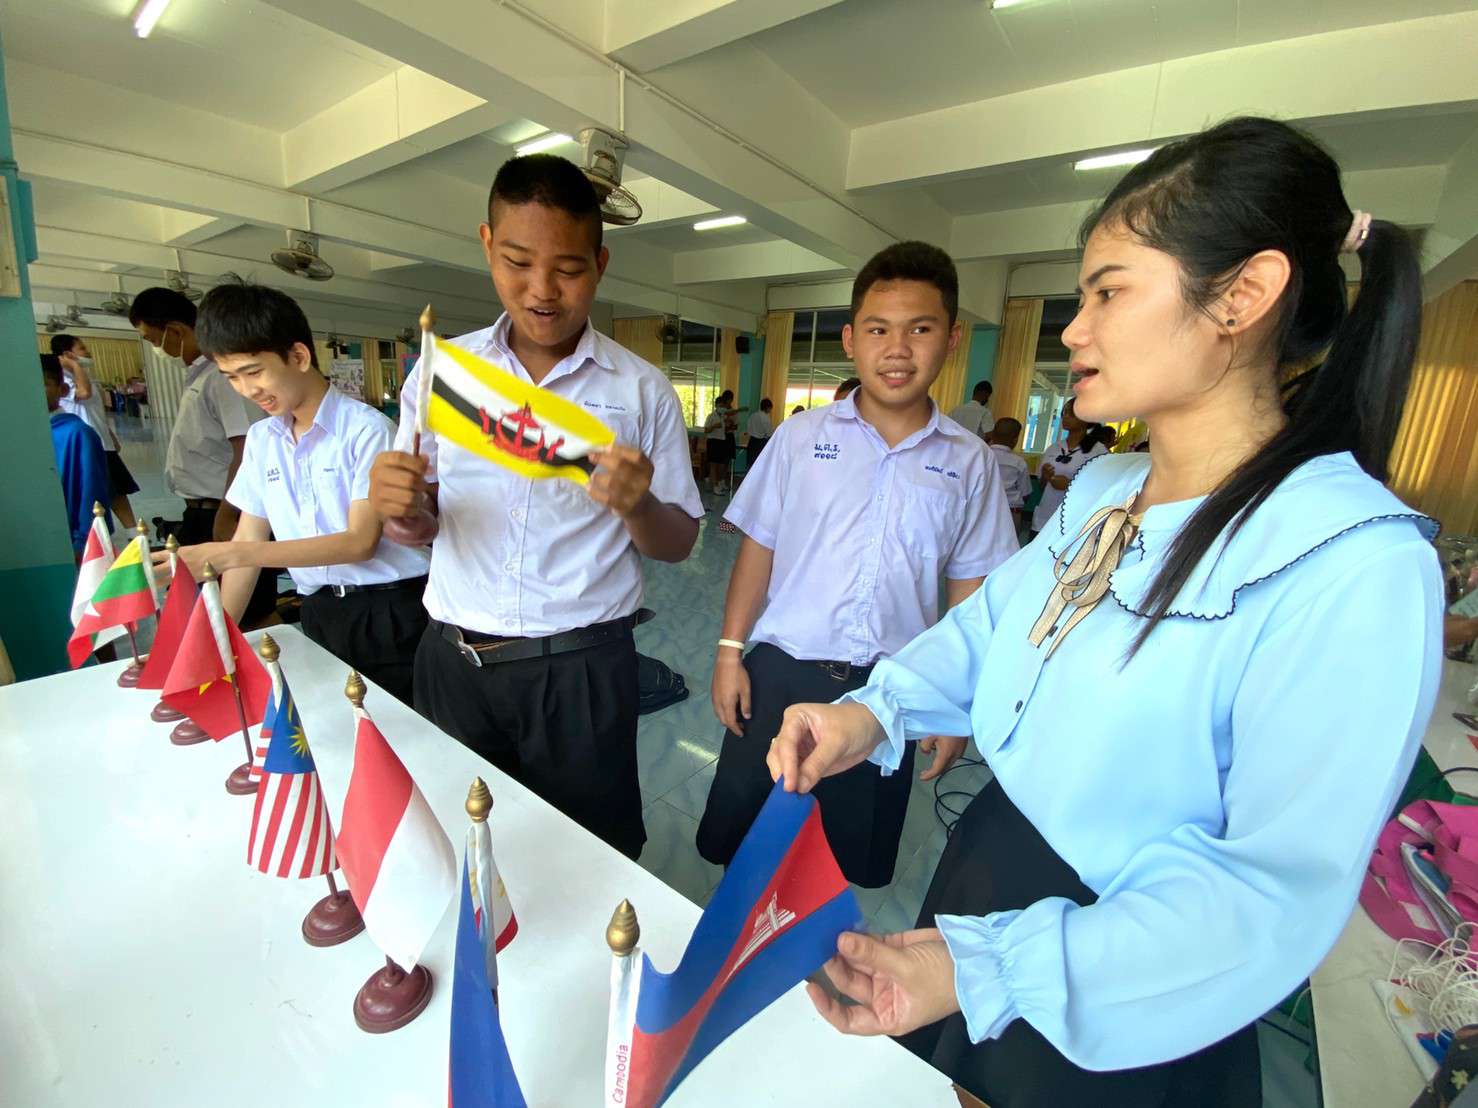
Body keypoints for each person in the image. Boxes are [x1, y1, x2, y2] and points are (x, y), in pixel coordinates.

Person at [765, 117, 1442, 1106]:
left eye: (1108, 292)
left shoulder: (1353, 564)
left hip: (1133, 962)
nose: (1074, 329)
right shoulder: (1106, 491)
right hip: (992, 867)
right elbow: (992, 628)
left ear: (1243, 295)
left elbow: (1265, 893)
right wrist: (872, 712)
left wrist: (995, 965)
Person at [368, 154, 702, 860]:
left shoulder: (640, 390)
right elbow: (422, 524)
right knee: (459, 848)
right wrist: (402, 513)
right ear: (487, 244)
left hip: (580, 672)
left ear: (601, 264)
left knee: (586, 857)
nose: (543, 290)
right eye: (518, 262)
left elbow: (678, 543)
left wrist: (638, 507)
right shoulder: (445, 375)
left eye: (569, 269)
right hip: (453, 662)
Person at [697, 241, 1018, 888]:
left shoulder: (970, 462)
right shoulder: (800, 438)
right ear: (850, 339)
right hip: (778, 674)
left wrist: (952, 703)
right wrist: (730, 652)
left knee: (836, 869)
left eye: (919, 329)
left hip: (888, 694)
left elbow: (971, 588)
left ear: (952, 338)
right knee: (746, 845)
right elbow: (759, 548)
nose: (897, 349)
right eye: (878, 330)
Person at [159, 281, 431, 705]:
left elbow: (359, 542)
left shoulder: (366, 430)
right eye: (231, 377)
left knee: (400, 730)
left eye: (254, 372)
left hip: (389, 614)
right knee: (335, 723)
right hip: (318, 610)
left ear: (299, 356)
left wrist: (230, 554)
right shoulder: (263, 439)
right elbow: (248, 537)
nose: (246, 390)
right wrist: (215, 641)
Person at [130, 286, 278, 626]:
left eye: (153, 339)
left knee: (252, 614)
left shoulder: (221, 380)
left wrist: (228, 513)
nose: (156, 349)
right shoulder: (199, 377)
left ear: (176, 330)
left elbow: (246, 449)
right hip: (201, 511)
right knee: (209, 609)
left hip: (225, 511)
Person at [51, 334, 138, 528]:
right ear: (67, 354)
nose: (87, 352)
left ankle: (133, 533)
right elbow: (84, 393)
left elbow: (94, 410)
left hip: (102, 440)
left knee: (118, 490)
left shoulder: (82, 374)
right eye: (82, 348)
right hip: (86, 443)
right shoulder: (64, 378)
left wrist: (111, 436)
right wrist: (75, 365)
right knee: (98, 490)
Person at [42, 354, 110, 556]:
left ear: (62, 390)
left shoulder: (77, 435)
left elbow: (92, 496)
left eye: (42, 384)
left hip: (68, 547)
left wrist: (82, 547)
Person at [1029, 398, 1107, 538]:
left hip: (1072, 522)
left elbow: (1101, 488)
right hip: (1044, 519)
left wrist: (1070, 485)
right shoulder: (1053, 448)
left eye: (1071, 413)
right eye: (1064, 413)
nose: (1065, 417)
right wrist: (1045, 477)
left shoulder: (1098, 451)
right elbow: (1042, 487)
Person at [984, 417, 1030, 522]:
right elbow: (1025, 494)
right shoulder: (1019, 462)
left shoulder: (981, 456)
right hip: (1010, 513)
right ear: (1015, 439)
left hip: (982, 511)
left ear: (992, 435)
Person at [703, 392, 734, 495]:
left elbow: (727, 428)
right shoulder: (711, 416)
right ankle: (715, 486)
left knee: (721, 464)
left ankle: (717, 482)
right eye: (720, 406)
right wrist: (714, 426)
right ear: (716, 405)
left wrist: (730, 424)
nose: (722, 408)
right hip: (713, 441)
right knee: (713, 464)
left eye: (723, 406)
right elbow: (706, 430)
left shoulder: (723, 417)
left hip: (722, 441)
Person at [746, 397, 773, 469]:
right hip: (761, 443)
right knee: (759, 465)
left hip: (752, 441)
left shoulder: (753, 415)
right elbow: (769, 433)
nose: (770, 410)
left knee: (751, 463)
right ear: (767, 408)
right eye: (770, 409)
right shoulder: (765, 418)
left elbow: (748, 428)